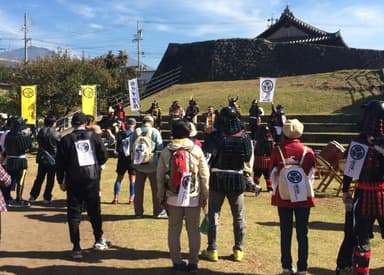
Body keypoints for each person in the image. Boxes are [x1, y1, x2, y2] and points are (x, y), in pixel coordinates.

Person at [337, 100, 384, 275]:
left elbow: (349, 170)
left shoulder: (358, 142)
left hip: (363, 196)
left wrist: (345, 190)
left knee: (362, 238)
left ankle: (362, 271)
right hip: (383, 194)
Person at [56, 112, 111, 259]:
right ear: (85, 124)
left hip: (73, 180)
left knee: (74, 214)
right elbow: (104, 155)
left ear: (73, 125)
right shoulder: (94, 137)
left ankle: (76, 247)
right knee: (94, 210)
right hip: (92, 179)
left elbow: (60, 163)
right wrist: (97, 166)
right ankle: (98, 239)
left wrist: (61, 180)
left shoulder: (66, 139)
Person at [157, 120, 209, 272]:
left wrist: (161, 197)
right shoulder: (196, 150)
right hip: (192, 195)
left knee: (173, 229)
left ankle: (177, 261)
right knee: (193, 230)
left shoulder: (167, 150)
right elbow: (205, 175)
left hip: (173, 195)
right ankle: (193, 262)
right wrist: (204, 195)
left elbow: (160, 176)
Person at [201, 106, 253, 262]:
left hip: (217, 177)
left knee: (214, 215)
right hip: (236, 179)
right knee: (238, 216)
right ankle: (238, 249)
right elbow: (247, 157)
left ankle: (212, 249)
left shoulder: (215, 136)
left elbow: (206, 153)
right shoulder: (244, 137)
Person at [269, 119, 316, 275]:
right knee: (303, 233)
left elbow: (273, 173)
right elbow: (311, 176)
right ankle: (302, 267)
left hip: (283, 196)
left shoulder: (278, 150)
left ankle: (286, 266)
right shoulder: (308, 151)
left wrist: (277, 188)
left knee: (285, 232)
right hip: (303, 196)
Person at [130, 115, 164, 218]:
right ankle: (157, 212)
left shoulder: (136, 132)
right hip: (152, 164)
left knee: (138, 190)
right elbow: (160, 146)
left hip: (138, 164)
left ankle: (138, 212)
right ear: (152, 122)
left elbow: (131, 145)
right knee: (156, 190)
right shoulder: (155, 132)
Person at [28, 115, 61, 204]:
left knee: (39, 178)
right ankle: (47, 197)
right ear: (53, 123)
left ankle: (33, 196)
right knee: (50, 179)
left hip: (42, 157)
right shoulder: (56, 133)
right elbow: (59, 146)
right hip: (52, 158)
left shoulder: (41, 132)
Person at [2, 116, 32, 206]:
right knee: (20, 181)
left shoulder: (8, 135)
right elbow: (28, 147)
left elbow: (5, 150)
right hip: (20, 161)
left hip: (10, 160)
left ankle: (7, 198)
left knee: (9, 180)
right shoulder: (22, 135)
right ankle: (19, 200)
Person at [112, 117, 137, 205]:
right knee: (132, 179)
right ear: (134, 125)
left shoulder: (121, 134)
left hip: (122, 158)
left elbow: (118, 147)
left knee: (119, 178)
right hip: (132, 158)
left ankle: (115, 198)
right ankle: (131, 199)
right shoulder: (135, 134)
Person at [253, 125, 274, 193]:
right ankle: (269, 188)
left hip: (258, 159)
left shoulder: (257, 140)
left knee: (257, 174)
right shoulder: (270, 140)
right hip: (267, 159)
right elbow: (272, 150)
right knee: (267, 175)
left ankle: (255, 187)